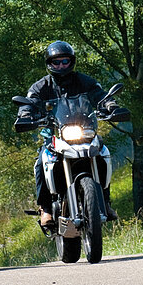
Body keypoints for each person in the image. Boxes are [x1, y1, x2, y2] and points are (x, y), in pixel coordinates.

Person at [16, 41, 120, 226]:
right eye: (57, 62)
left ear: (71, 61)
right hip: (55, 137)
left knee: (103, 154)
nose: (61, 66)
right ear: (49, 64)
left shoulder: (84, 81)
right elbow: (29, 103)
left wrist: (110, 106)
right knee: (41, 162)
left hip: (86, 132)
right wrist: (26, 114)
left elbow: (100, 95)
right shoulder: (41, 86)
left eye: (65, 61)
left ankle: (105, 200)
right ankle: (46, 208)